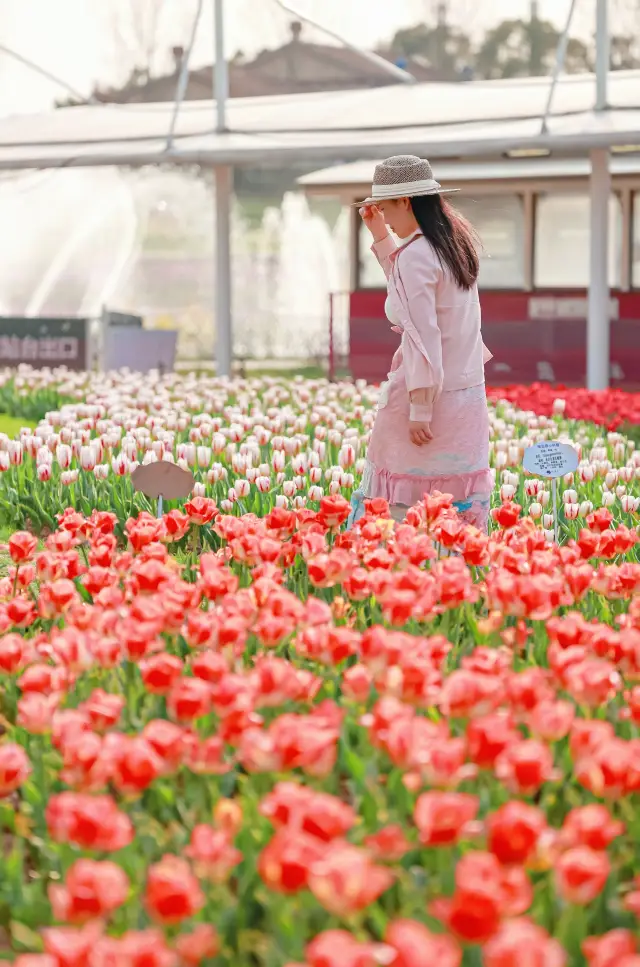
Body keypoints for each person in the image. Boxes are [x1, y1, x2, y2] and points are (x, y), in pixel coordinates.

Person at [347, 155, 493, 532]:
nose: (383, 214)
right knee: (456, 514)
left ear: (405, 201)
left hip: (426, 398)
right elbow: (411, 294)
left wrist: (420, 409)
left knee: (401, 512)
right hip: (466, 398)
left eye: (384, 207)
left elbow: (422, 335)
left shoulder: (416, 255)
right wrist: (382, 237)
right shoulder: (455, 245)